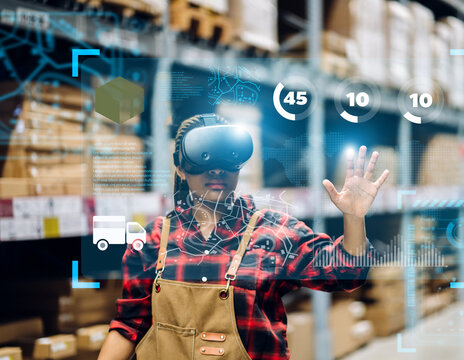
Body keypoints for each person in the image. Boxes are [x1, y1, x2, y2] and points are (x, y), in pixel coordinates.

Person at [98, 114, 389, 360]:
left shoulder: (274, 234)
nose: (216, 170)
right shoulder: (151, 240)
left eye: (228, 160)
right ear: (180, 167)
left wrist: (354, 217)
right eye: (203, 158)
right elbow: (129, 325)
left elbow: (347, 273)